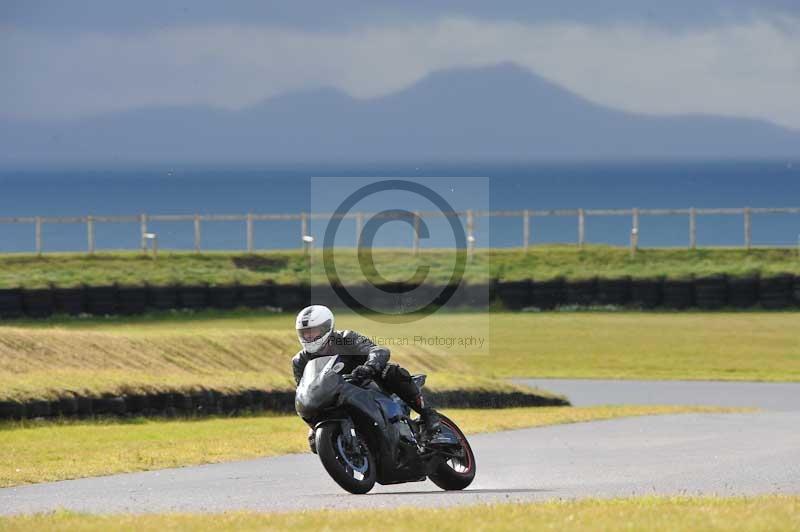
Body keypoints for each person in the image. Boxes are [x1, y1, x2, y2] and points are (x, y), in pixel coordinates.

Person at [292, 304, 441, 450]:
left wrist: (369, 367)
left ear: (326, 328)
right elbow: (305, 390)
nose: (308, 336)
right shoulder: (300, 361)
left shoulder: (346, 338)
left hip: (366, 384)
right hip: (335, 396)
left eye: (313, 331)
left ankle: (427, 414)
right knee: (314, 441)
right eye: (304, 333)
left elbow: (378, 350)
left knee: (391, 371)